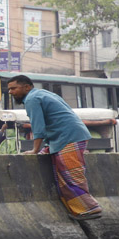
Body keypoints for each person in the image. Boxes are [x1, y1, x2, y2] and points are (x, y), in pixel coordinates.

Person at [6, 75, 102, 221]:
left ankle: (89, 209)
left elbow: (38, 127)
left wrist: (35, 150)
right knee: (64, 174)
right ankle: (81, 209)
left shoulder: (32, 99)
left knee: (72, 175)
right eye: (9, 89)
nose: (10, 92)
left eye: (13, 88)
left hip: (68, 138)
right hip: (70, 136)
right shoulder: (43, 93)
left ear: (26, 87)